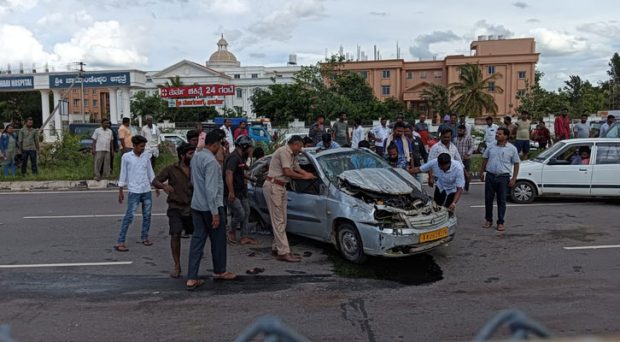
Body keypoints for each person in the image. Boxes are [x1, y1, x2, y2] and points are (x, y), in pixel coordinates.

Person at [187, 130, 236, 290]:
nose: (221, 148)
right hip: (211, 207)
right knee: (218, 241)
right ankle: (220, 270)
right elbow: (211, 189)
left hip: (197, 205)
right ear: (215, 144)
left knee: (197, 241)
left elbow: (193, 182)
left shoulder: (196, 157)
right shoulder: (212, 162)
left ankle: (192, 277)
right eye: (220, 145)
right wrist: (215, 212)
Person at [263, 135, 316, 262]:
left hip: (281, 187)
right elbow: (287, 172)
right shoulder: (284, 152)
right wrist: (304, 177)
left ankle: (277, 247)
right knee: (278, 220)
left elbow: (296, 168)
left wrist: (308, 174)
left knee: (282, 219)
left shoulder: (292, 154)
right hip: (274, 186)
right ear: (296, 144)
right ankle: (283, 252)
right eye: (301, 146)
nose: (301, 149)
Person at [152, 143, 195, 278]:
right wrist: (163, 186)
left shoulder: (196, 168)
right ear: (182, 156)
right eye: (190, 154)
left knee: (198, 235)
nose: (193, 156)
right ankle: (177, 265)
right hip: (175, 207)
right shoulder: (171, 169)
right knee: (175, 234)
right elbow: (155, 180)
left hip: (193, 208)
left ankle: (195, 265)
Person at [115, 135, 161, 252]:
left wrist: (156, 185)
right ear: (134, 146)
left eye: (144, 146)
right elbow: (123, 173)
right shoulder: (126, 157)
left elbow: (150, 172)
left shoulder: (146, 156)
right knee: (129, 216)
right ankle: (121, 241)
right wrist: (120, 190)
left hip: (146, 190)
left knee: (147, 215)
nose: (143, 148)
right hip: (134, 191)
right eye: (141, 146)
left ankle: (144, 237)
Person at [480, 127, 520, 232]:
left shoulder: (512, 149)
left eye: (500, 134)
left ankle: (501, 222)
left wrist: (514, 178)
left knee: (501, 201)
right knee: (488, 200)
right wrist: (481, 172)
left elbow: (516, 164)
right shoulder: (491, 146)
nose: (497, 135)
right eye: (496, 133)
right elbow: (485, 159)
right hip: (490, 175)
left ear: (506, 136)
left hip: (503, 177)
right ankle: (488, 220)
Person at [225, 135, 258, 245]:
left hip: (241, 191)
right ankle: (231, 231)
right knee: (240, 213)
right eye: (249, 148)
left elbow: (241, 173)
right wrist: (231, 191)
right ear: (244, 146)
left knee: (247, 212)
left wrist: (252, 178)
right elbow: (229, 173)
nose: (250, 150)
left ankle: (244, 236)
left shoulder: (240, 157)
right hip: (233, 192)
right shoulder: (233, 158)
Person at [455, 124, 475, 192]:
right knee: (458, 173)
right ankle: (458, 187)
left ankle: (466, 187)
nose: (459, 132)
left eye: (461, 130)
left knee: (466, 173)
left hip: (466, 158)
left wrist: (468, 154)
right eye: (458, 130)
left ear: (464, 131)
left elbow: (472, 147)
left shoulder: (468, 137)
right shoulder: (455, 138)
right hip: (457, 159)